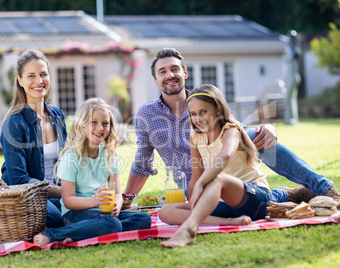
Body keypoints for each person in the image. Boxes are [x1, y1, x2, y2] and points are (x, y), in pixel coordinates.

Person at [124, 47, 340, 206]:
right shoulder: (146, 114)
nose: (169, 75)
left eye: (174, 69)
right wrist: (126, 199)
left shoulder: (205, 100)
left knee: (255, 134)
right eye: (162, 71)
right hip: (195, 186)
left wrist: (266, 127)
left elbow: (234, 131)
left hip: (228, 174)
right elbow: (142, 162)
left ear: (185, 73)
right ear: (155, 79)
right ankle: (285, 196)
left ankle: (325, 189)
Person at [159, 84, 272, 248]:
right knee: (166, 211)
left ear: (218, 110)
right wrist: (194, 201)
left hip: (257, 198)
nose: (198, 118)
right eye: (193, 114)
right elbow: (196, 173)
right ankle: (230, 222)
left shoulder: (230, 130)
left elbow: (224, 156)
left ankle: (189, 229)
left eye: (203, 112)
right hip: (226, 205)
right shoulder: (196, 138)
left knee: (216, 178)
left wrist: (201, 184)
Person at [33, 98, 151, 247]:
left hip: (102, 211)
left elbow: (117, 193)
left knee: (143, 219)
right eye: (93, 122)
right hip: (75, 213)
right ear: (82, 125)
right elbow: (68, 200)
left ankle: (81, 233)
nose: (100, 128)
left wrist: (117, 204)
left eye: (105, 123)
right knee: (112, 223)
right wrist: (94, 201)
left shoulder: (110, 155)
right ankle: (53, 234)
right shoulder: (71, 157)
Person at [0, 50, 66, 228]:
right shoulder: (13, 123)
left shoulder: (57, 115)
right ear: (20, 80)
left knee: (92, 210)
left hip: (60, 195)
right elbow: (19, 179)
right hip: (28, 198)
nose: (39, 81)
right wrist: (64, 193)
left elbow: (69, 162)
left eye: (43, 74)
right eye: (31, 76)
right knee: (57, 219)